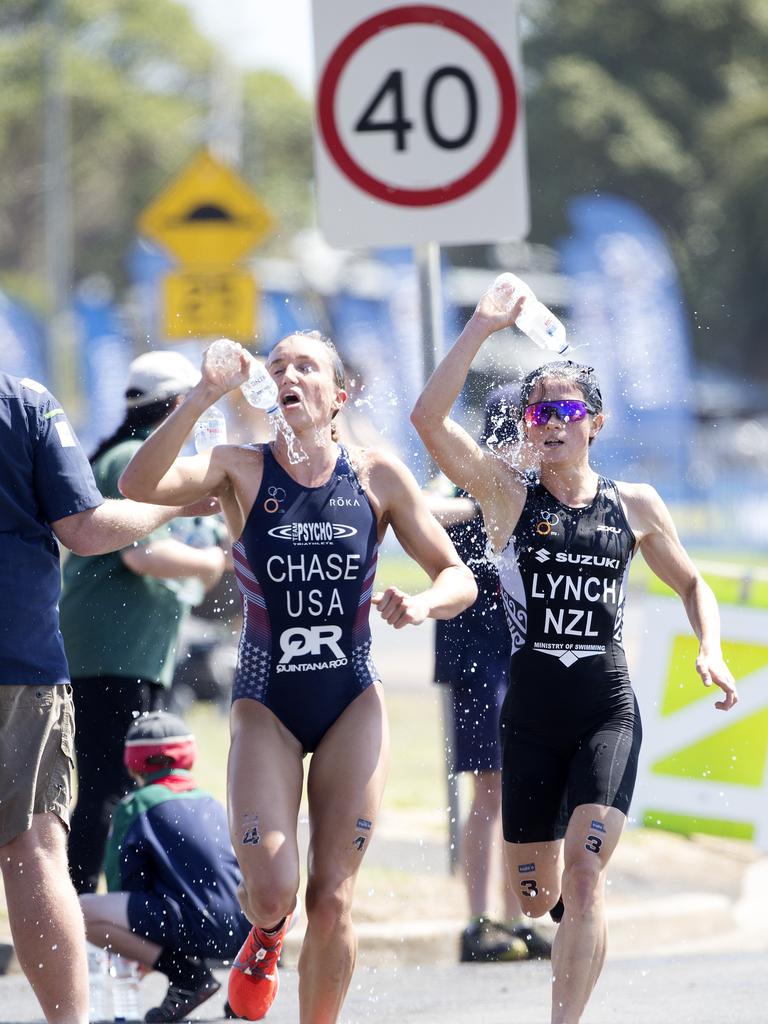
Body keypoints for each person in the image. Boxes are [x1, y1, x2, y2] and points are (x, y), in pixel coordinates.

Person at [118, 330, 477, 1023]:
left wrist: (424, 603)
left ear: (337, 395)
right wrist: (202, 394)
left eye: (305, 365)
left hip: (351, 702)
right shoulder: (238, 467)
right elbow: (139, 485)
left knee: (335, 894)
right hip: (267, 706)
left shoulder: (377, 477)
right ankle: (268, 935)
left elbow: (456, 576)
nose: (287, 373)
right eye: (277, 365)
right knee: (276, 890)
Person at [410, 290, 738, 1024]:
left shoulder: (637, 503)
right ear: (524, 427)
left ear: (595, 423)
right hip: (529, 717)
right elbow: (427, 421)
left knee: (586, 876)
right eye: (538, 414)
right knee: (538, 897)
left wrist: (709, 650)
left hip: (605, 708)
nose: (551, 425)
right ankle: (568, 931)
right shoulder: (505, 495)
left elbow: (692, 582)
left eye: (565, 413)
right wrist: (481, 327)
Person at [0, 370, 217, 1024]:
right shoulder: (24, 403)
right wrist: (188, 516)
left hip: (79, 658)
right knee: (39, 848)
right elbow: (91, 532)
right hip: (36, 660)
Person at [60, 351, 227, 895]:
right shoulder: (131, 460)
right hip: (111, 652)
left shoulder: (126, 458)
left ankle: (104, 902)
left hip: (127, 650)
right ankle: (85, 908)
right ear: (178, 405)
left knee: (121, 781)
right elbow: (142, 555)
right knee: (113, 782)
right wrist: (212, 563)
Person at [429, 387, 552, 964]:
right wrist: (482, 502)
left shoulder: (540, 493)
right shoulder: (468, 485)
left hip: (525, 658)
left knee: (525, 788)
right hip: (478, 658)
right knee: (490, 788)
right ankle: (479, 920)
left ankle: (518, 916)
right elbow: (422, 506)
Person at [80, 710, 252, 1023]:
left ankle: (187, 977)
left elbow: (125, 886)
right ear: (188, 757)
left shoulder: (136, 804)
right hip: (246, 928)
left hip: (195, 927)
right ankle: (251, 981)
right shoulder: (212, 802)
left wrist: (137, 949)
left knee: (80, 912)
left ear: (134, 762)